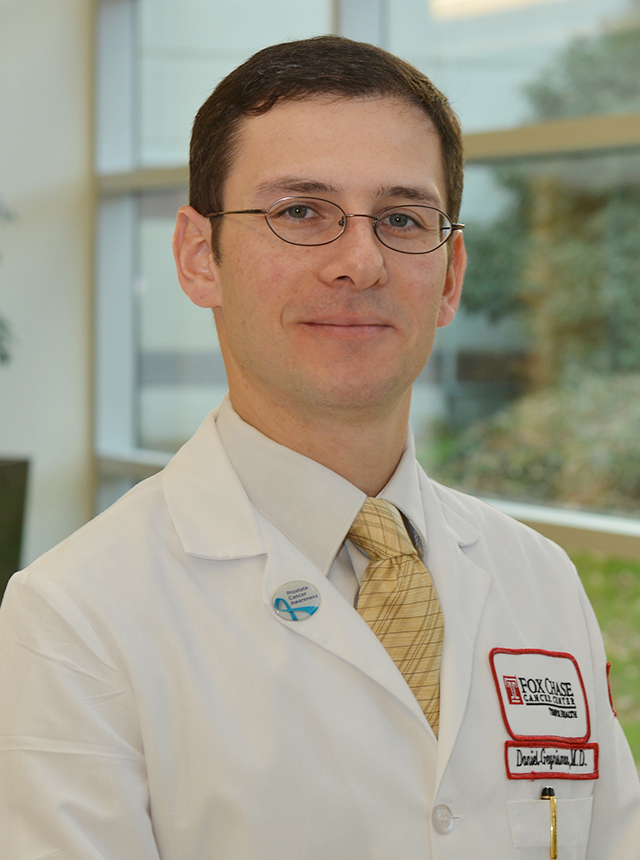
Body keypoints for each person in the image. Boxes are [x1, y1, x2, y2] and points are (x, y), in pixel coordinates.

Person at [0, 35, 638, 860]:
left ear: (449, 278)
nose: (360, 261)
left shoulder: (541, 581)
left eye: (403, 219)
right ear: (201, 259)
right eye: (300, 211)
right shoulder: (75, 621)